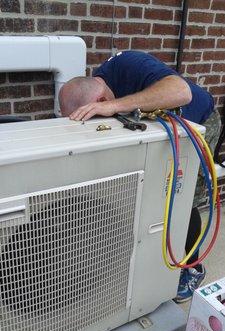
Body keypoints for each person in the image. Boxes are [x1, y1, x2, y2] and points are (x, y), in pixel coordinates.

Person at [59, 50, 221, 303]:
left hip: (198, 123)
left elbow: (181, 91)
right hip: (164, 127)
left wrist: (112, 106)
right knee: (154, 193)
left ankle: (191, 267)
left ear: (100, 99)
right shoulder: (101, 85)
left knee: (182, 198)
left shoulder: (128, 63)